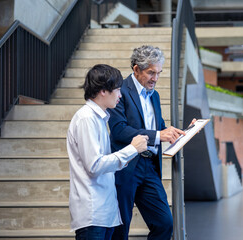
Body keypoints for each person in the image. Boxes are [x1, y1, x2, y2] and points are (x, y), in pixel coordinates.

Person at [108, 45, 194, 240]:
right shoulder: (119, 91)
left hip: (150, 168)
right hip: (127, 166)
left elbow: (160, 128)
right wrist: (157, 135)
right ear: (136, 69)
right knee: (120, 229)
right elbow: (119, 130)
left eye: (159, 73)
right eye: (151, 73)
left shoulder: (154, 95)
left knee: (165, 224)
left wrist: (183, 132)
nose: (155, 78)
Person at [67, 64, 148, 240]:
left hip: (104, 212)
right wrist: (132, 149)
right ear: (103, 90)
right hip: (93, 214)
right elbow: (94, 166)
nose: (120, 95)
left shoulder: (99, 117)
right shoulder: (86, 118)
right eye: (118, 90)